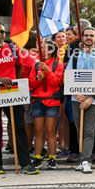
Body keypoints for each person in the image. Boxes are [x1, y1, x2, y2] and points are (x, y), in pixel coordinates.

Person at [0, 22, 39, 175]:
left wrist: (16, 82)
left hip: (13, 93)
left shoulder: (12, 49)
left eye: (2, 31)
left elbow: (19, 66)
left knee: (19, 128)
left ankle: (25, 164)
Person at [66, 27, 95, 173]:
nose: (89, 38)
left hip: (94, 100)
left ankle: (86, 160)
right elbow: (69, 76)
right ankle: (82, 158)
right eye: (86, 35)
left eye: (91, 35)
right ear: (82, 37)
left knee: (90, 131)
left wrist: (91, 97)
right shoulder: (75, 55)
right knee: (80, 130)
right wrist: (77, 94)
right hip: (76, 98)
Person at [29, 41, 64, 170]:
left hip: (52, 101)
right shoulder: (35, 65)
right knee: (38, 131)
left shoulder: (58, 65)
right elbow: (31, 84)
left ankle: (52, 158)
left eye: (43, 48)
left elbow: (56, 82)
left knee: (51, 131)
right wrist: (38, 78)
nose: (40, 49)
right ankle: (37, 157)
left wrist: (48, 71)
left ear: (50, 51)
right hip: (38, 101)